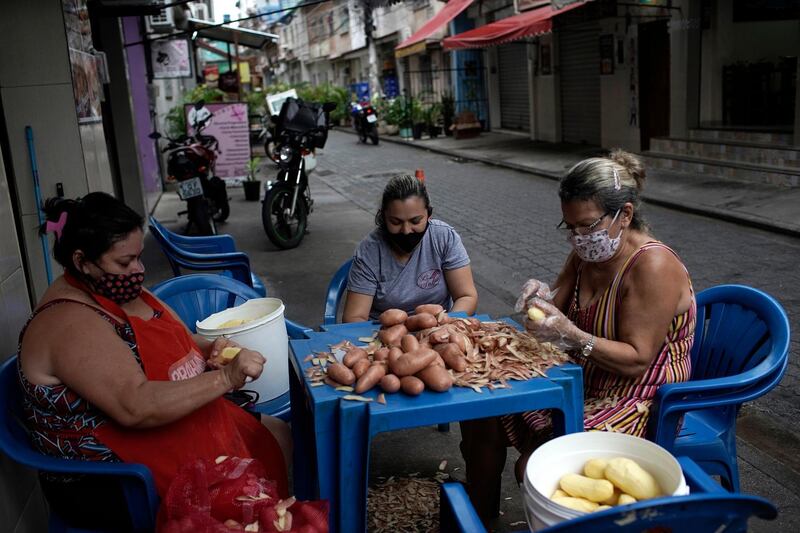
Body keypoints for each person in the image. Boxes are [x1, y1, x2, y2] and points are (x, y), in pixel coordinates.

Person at [17, 192, 290, 529]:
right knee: (241, 493)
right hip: (110, 475)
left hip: (165, 428)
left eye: (139, 257)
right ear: (82, 260)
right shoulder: (68, 323)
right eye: (124, 262)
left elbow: (186, 341)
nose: (139, 270)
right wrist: (225, 379)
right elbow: (136, 406)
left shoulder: (112, 288)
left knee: (277, 434)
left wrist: (213, 348)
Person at [459, 150, 696, 523]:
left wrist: (569, 333)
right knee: (481, 413)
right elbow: (555, 308)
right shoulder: (585, 254)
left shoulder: (653, 266)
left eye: (586, 226)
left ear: (626, 215)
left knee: (539, 466)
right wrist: (539, 301)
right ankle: (478, 521)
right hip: (582, 382)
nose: (578, 238)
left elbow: (636, 359)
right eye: (569, 227)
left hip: (638, 398)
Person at [342, 173, 478, 322]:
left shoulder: (443, 237)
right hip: (385, 336)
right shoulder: (370, 251)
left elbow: (466, 296)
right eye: (395, 222)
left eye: (415, 221)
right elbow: (354, 317)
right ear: (383, 218)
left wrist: (447, 326)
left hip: (437, 330)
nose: (406, 230)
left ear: (429, 215)